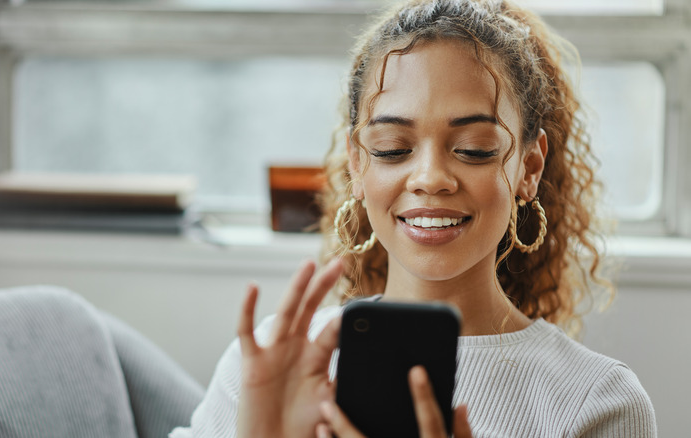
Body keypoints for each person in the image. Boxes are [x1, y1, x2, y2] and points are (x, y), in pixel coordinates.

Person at [170, 0, 657, 436]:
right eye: (393, 149)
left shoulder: (600, 402)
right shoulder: (270, 363)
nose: (430, 178)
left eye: (473, 150)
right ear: (357, 164)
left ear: (529, 168)